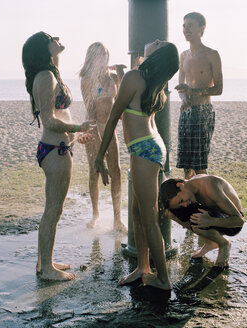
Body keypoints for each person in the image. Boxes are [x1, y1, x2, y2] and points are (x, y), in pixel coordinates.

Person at [95, 40, 179, 290]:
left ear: (158, 55)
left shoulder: (135, 76)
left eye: (159, 43)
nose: (154, 40)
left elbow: (112, 119)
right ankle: (143, 268)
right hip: (151, 146)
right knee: (137, 213)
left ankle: (163, 279)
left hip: (144, 149)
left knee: (150, 217)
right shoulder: (150, 81)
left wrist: (100, 157)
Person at [22, 32, 95, 280]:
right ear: (44, 48)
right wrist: (79, 128)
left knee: (53, 209)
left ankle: (45, 263)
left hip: (59, 147)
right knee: (53, 210)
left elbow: (58, 117)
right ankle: (47, 270)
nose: (58, 37)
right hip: (55, 150)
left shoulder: (51, 73)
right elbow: (51, 121)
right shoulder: (45, 77)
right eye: (51, 37)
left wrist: (76, 136)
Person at [79, 42, 127, 232]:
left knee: (117, 171)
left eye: (105, 55)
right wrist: (101, 152)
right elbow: (91, 113)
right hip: (92, 128)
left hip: (110, 127)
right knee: (95, 171)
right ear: (91, 58)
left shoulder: (113, 78)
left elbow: (126, 97)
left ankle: (117, 219)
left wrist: (122, 74)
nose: (103, 59)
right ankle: (95, 214)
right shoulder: (87, 80)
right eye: (99, 55)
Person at [175, 12, 223, 179]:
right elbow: (181, 88)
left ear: (201, 29)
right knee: (186, 166)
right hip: (186, 113)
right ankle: (190, 203)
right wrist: (184, 99)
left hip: (203, 111)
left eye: (190, 26)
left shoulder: (212, 55)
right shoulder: (183, 56)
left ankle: (205, 199)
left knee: (200, 166)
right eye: (184, 26)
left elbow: (219, 89)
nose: (186, 29)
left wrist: (193, 92)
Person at [160, 175, 245, 268]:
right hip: (212, 213)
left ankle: (224, 244)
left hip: (232, 224)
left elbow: (240, 221)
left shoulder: (210, 187)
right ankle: (210, 243)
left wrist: (211, 221)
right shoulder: (190, 189)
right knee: (170, 212)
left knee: (198, 219)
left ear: (180, 185)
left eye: (181, 201)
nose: (184, 205)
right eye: (180, 204)